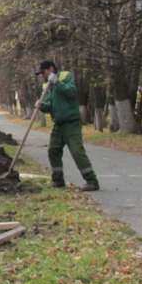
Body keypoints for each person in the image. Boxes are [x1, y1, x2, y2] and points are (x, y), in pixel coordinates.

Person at [38, 60, 99, 191]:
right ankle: (58, 180)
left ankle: (92, 181)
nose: (43, 75)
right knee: (53, 150)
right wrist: (42, 106)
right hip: (58, 123)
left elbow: (71, 93)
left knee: (77, 151)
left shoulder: (65, 76)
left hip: (71, 122)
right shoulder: (46, 85)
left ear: (51, 68)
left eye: (44, 72)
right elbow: (50, 105)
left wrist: (57, 82)